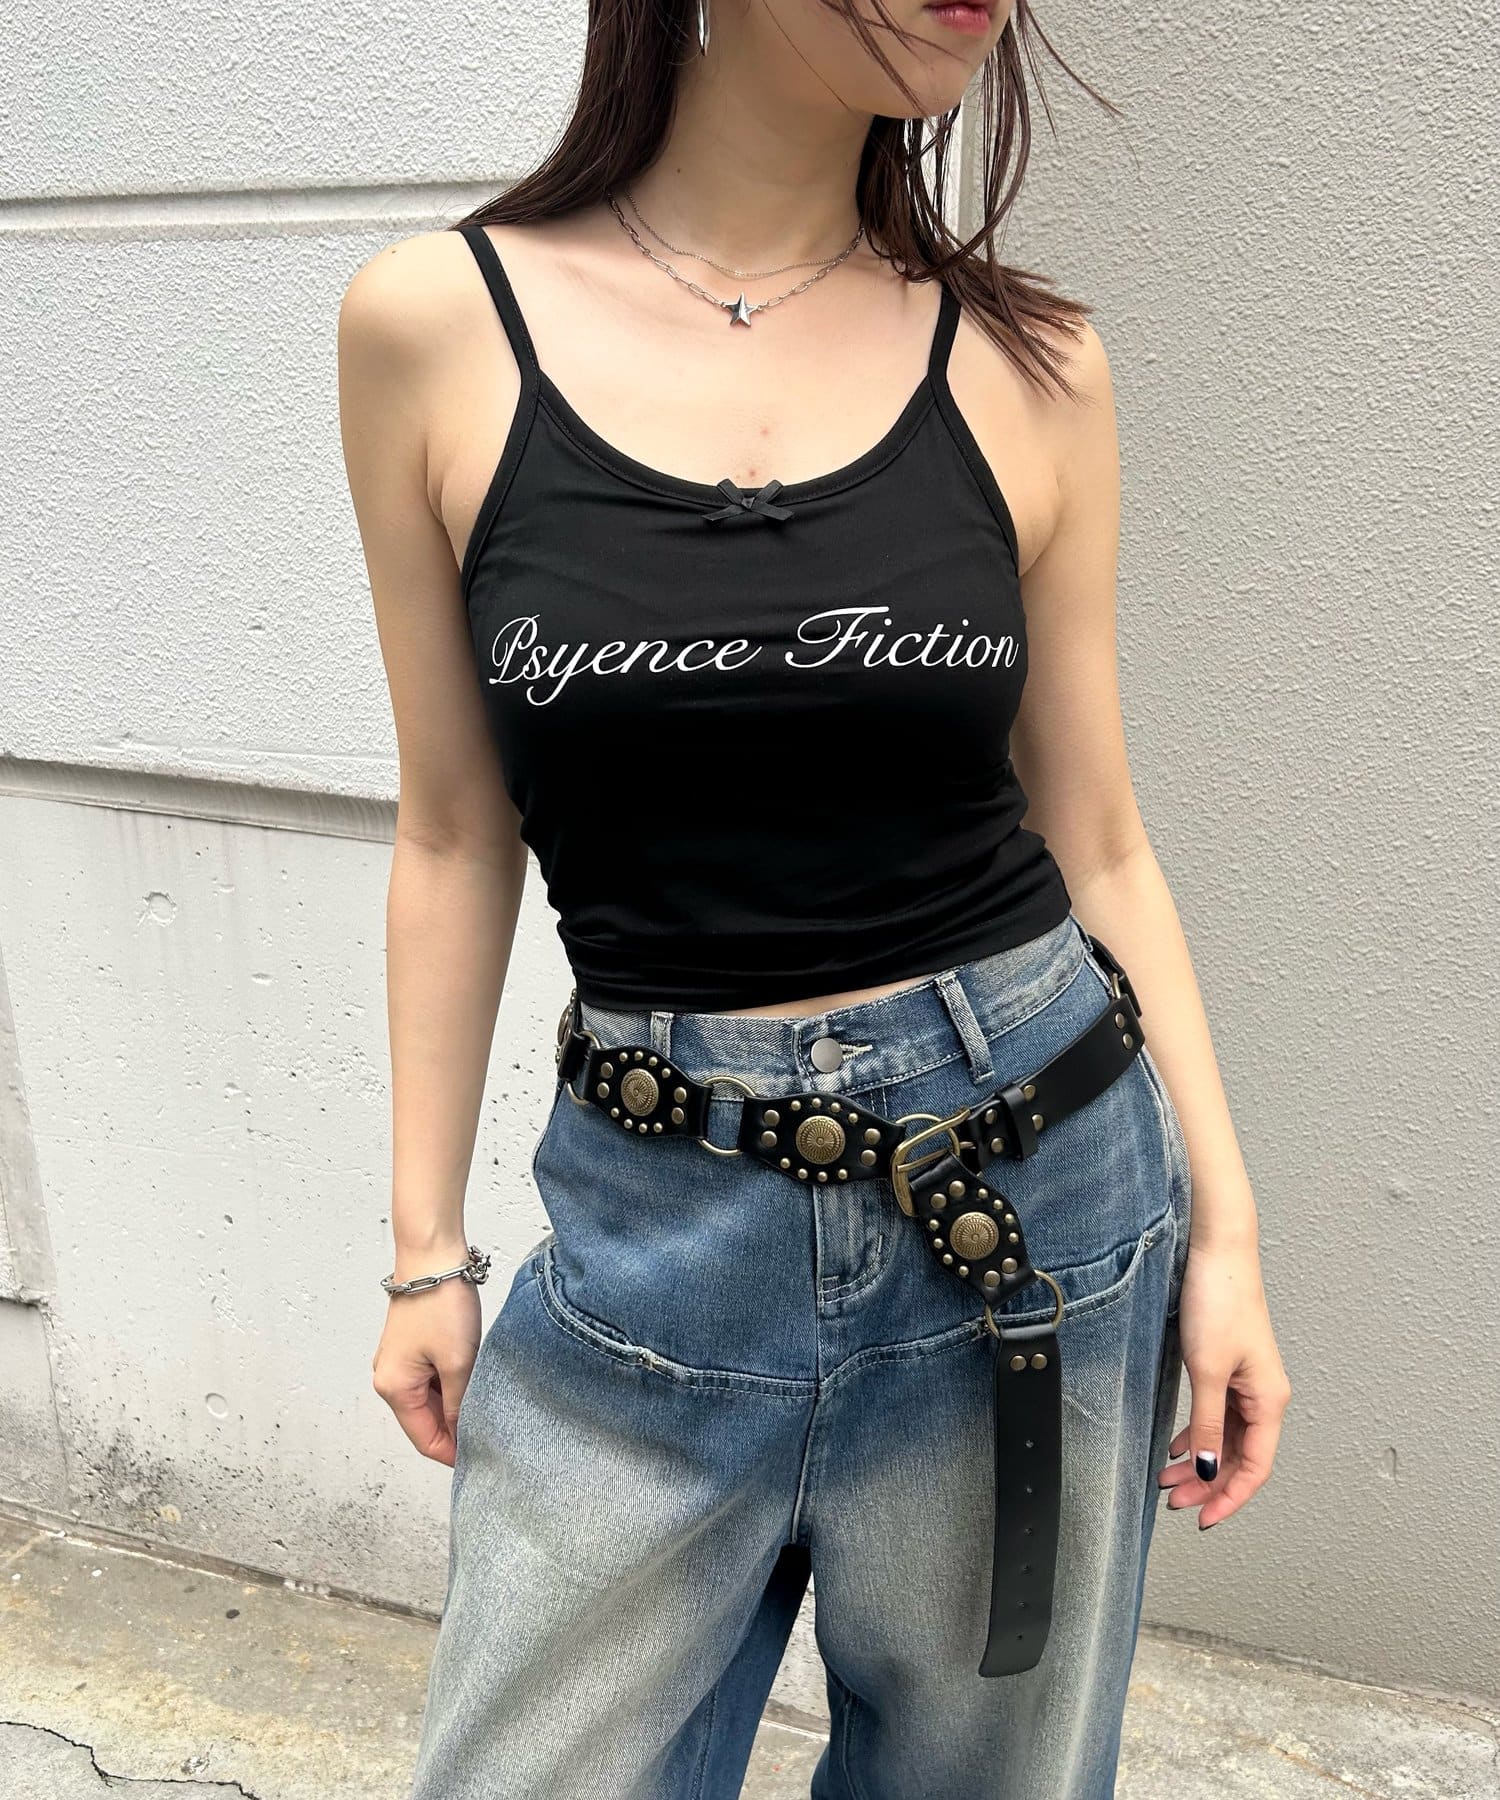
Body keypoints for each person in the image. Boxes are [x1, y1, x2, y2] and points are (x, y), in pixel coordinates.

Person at [337, 0, 1290, 1791]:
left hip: (1030, 1196)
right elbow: (455, 833)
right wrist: (424, 1250)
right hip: (651, 1217)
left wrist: (1227, 1239)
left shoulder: (1033, 364)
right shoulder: (434, 329)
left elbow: (1099, 838)